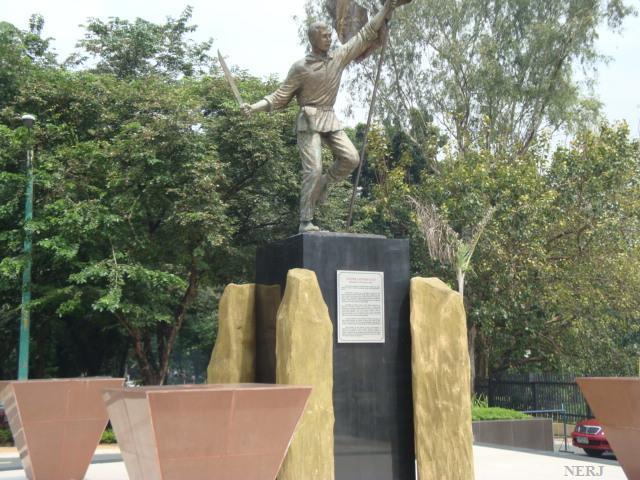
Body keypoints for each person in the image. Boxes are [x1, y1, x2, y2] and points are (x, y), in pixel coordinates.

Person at [242, 0, 397, 233]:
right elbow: (280, 96)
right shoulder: (300, 68)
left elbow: (365, 34)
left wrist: (387, 9)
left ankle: (325, 183)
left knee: (351, 158)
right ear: (314, 39)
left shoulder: (338, 57)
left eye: (329, 35)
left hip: (329, 117)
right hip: (309, 121)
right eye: (324, 35)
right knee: (312, 169)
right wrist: (254, 108)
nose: (329, 38)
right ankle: (306, 221)